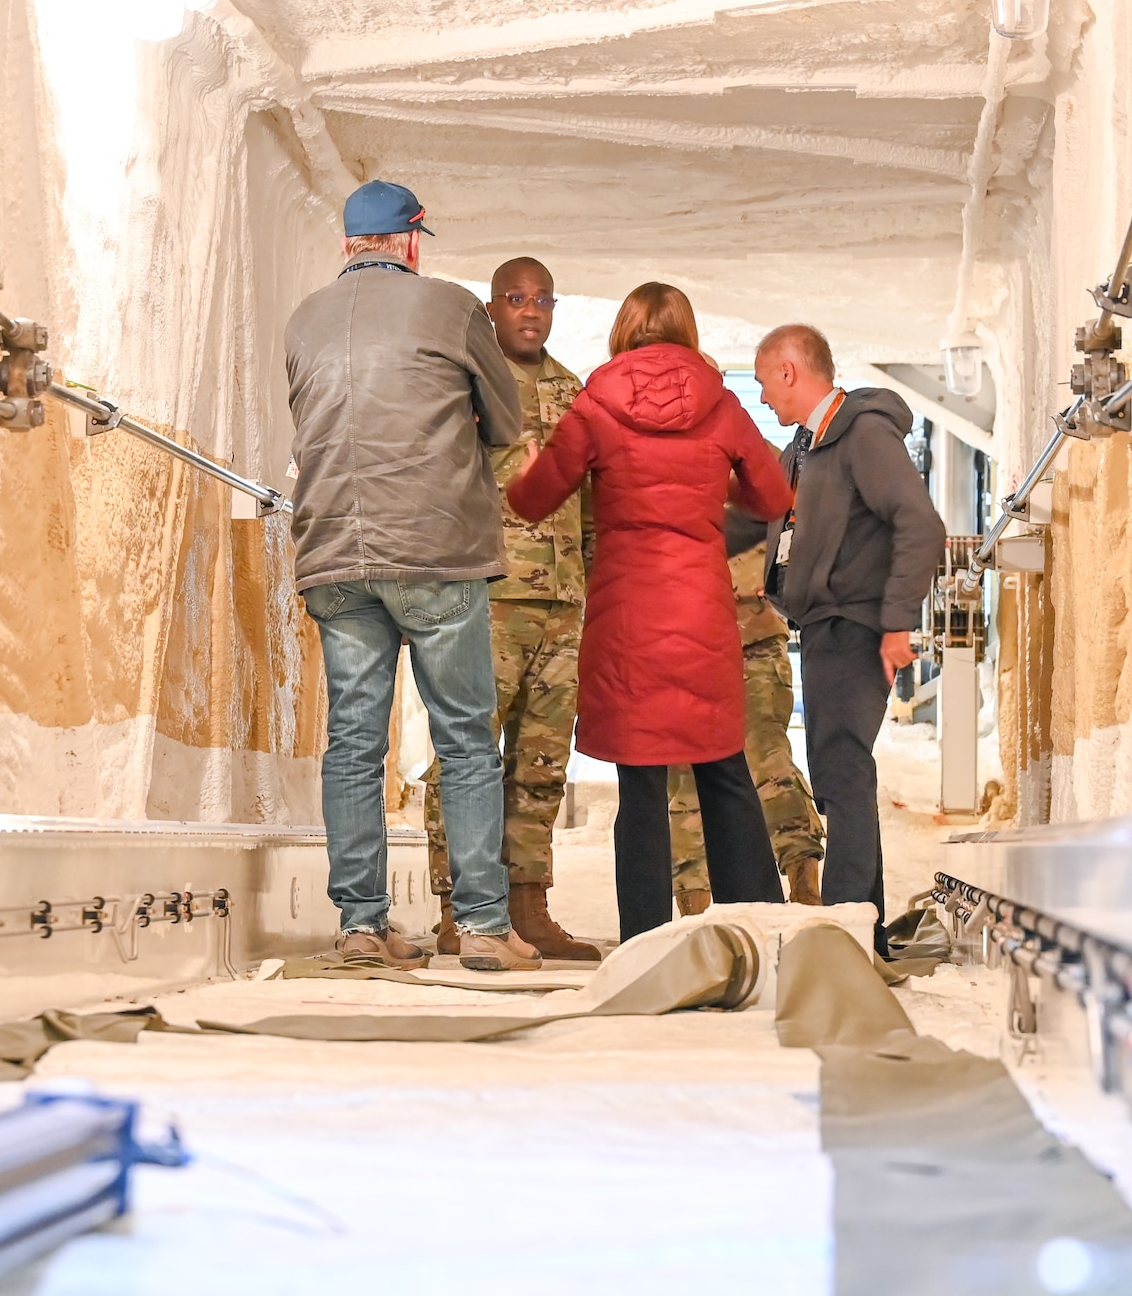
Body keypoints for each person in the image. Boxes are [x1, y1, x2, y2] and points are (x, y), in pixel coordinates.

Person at [284, 179, 540, 973]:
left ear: (347, 245)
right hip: (436, 551)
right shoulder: (451, 306)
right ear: (412, 243)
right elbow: (506, 421)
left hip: (333, 551)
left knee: (354, 741)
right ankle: (486, 929)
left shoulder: (303, 319)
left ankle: (363, 926)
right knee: (464, 738)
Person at [506, 283, 794, 941]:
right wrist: (712, 479)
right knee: (724, 767)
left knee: (641, 786)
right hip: (700, 610)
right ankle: (762, 934)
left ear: (625, 330)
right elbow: (773, 494)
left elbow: (535, 499)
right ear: (686, 330)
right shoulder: (720, 403)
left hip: (627, 613)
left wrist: (528, 468)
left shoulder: (597, 402)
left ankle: (644, 944)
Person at [422, 256, 602, 962]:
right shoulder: (462, 382)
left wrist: (594, 582)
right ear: (491, 308)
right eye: (515, 298)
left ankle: (528, 907)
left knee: (542, 761)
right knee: (464, 756)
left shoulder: (572, 390)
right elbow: (438, 482)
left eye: (542, 300)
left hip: (563, 603)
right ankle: (458, 906)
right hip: (485, 595)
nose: (530, 311)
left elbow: (590, 499)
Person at [752, 323, 945, 957]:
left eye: (762, 383)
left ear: (789, 371)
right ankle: (864, 926)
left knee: (841, 769)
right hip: (825, 624)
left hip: (857, 623)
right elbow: (766, 522)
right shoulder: (806, 448)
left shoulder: (862, 433)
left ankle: (846, 929)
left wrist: (895, 620)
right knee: (838, 769)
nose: (762, 399)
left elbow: (921, 524)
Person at [668, 534, 825, 913]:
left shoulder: (759, 473)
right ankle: (696, 910)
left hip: (750, 627)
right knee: (685, 769)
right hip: (681, 630)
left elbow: (789, 514)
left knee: (767, 760)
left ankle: (805, 891)